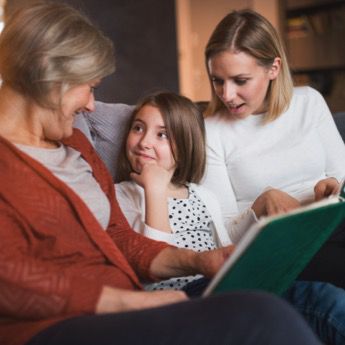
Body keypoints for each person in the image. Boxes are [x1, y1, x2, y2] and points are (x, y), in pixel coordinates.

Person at [0, 2, 323, 345]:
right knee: (260, 318)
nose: (91, 106)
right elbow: (9, 276)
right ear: (50, 77)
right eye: (89, 87)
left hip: (127, 304)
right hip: (57, 325)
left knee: (293, 301)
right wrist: (129, 301)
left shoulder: (76, 144)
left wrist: (199, 260)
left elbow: (118, 238)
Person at [114, 91, 345, 345]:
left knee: (325, 298)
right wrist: (154, 190)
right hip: (176, 299)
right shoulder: (120, 195)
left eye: (162, 134)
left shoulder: (202, 195)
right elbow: (151, 266)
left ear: (185, 143)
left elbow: (224, 246)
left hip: (219, 287)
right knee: (310, 306)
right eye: (138, 128)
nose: (144, 142)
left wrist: (259, 212)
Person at [201, 9, 345, 286]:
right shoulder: (211, 131)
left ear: (273, 69)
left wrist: (328, 188)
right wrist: (261, 205)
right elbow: (222, 236)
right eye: (217, 80)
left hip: (328, 225)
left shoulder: (309, 102)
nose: (227, 95)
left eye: (240, 81)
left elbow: (341, 179)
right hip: (279, 245)